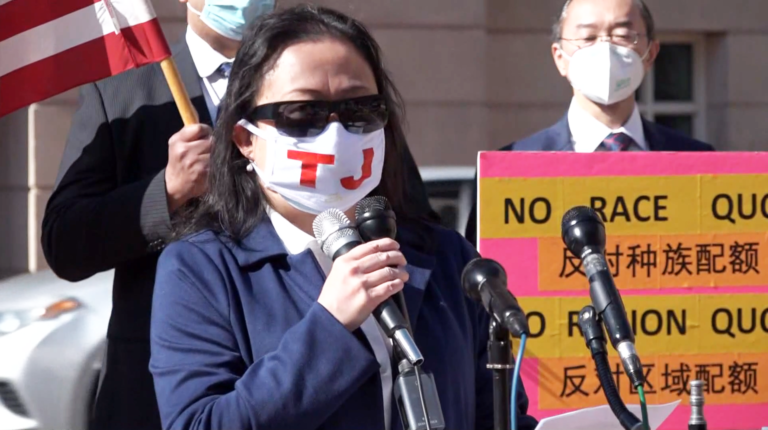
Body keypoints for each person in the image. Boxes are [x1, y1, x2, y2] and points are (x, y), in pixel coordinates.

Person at [40, 1, 434, 429]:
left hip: (332, 362)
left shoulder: (339, 84)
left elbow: (409, 212)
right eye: (302, 112)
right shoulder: (128, 94)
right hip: (174, 381)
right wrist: (167, 191)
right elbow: (66, 239)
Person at [148, 5, 538, 430]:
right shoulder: (200, 269)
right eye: (302, 114)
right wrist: (331, 325)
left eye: (360, 111)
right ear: (244, 139)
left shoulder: (447, 258)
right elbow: (199, 423)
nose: (335, 133)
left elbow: (496, 415)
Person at [464, 0, 714, 246]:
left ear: (651, 54)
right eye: (588, 37)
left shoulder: (704, 164)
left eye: (623, 35)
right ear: (559, 57)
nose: (605, 49)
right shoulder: (508, 173)